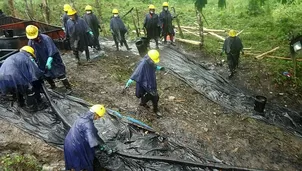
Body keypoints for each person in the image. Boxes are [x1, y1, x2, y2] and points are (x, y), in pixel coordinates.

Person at [26, 25, 72, 94]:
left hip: (53, 60)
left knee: (59, 73)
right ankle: (53, 86)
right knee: (46, 74)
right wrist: (32, 60)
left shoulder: (46, 39)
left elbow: (52, 49)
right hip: (41, 61)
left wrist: (50, 59)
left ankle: (68, 87)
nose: (34, 38)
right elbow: (31, 52)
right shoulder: (30, 42)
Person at [64, 104, 112, 171]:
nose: (98, 119)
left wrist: (102, 144)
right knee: (83, 163)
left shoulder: (82, 118)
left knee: (72, 162)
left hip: (68, 143)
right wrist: (103, 148)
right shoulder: (88, 124)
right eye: (99, 117)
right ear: (95, 114)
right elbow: (93, 142)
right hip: (77, 147)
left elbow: (94, 134)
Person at [0, 46, 43, 111]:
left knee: (17, 89)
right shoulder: (26, 58)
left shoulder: (13, 56)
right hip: (14, 76)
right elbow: (35, 73)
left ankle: (21, 104)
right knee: (29, 89)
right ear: (30, 53)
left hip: (2, 77)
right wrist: (41, 76)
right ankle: (32, 109)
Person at [125, 50, 164, 117]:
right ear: (150, 58)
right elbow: (137, 72)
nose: (154, 61)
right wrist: (131, 80)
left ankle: (147, 105)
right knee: (154, 96)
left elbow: (153, 65)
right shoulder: (143, 64)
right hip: (144, 82)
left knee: (150, 95)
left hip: (150, 80)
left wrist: (158, 68)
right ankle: (154, 109)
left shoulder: (150, 61)